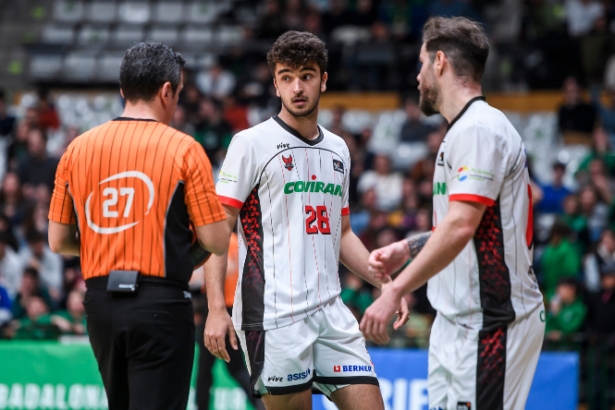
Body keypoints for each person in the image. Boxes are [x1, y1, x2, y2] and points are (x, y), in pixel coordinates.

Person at [203, 31, 408, 410]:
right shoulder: (250, 144)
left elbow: (342, 233)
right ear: (276, 84)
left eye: (307, 75)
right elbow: (219, 231)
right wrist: (217, 308)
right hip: (274, 316)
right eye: (287, 77)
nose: (297, 87)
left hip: (332, 313)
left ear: (323, 80)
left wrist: (386, 283)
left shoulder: (339, 149)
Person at [360, 17, 545, 410]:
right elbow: (466, 226)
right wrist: (407, 248)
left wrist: (395, 289)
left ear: (440, 62)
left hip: (491, 323)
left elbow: (461, 227)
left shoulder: (480, 130)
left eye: (421, 64)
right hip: (456, 322)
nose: (417, 76)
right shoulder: (462, 131)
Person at [47, 42, 231, 410]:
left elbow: (58, 240)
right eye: (178, 94)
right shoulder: (184, 148)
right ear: (167, 91)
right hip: (161, 303)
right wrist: (183, 252)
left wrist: (111, 238)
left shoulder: (76, 149)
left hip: (100, 304)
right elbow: (215, 239)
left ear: (122, 89)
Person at [196, 233, 264, 410]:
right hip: (237, 308)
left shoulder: (214, 240)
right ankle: (259, 403)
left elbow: (204, 278)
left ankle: (259, 403)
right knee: (236, 367)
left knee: (206, 371)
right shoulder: (239, 242)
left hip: (216, 311)